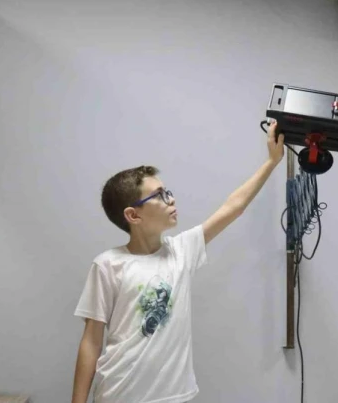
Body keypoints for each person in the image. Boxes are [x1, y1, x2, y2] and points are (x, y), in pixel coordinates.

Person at [71, 121, 285, 403]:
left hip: (173, 397)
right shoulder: (107, 265)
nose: (171, 199)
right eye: (159, 195)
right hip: (118, 395)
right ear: (133, 215)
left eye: (168, 191)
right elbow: (91, 342)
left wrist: (271, 162)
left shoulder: (181, 251)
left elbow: (234, 207)